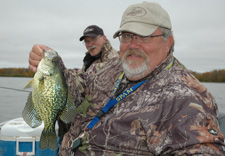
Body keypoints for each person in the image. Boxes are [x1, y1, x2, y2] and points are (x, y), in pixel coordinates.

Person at [28, 2, 225, 155]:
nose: (133, 44)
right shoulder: (115, 67)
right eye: (127, 36)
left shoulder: (184, 97)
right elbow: (81, 85)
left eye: (144, 37)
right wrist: (52, 64)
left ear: (168, 42)